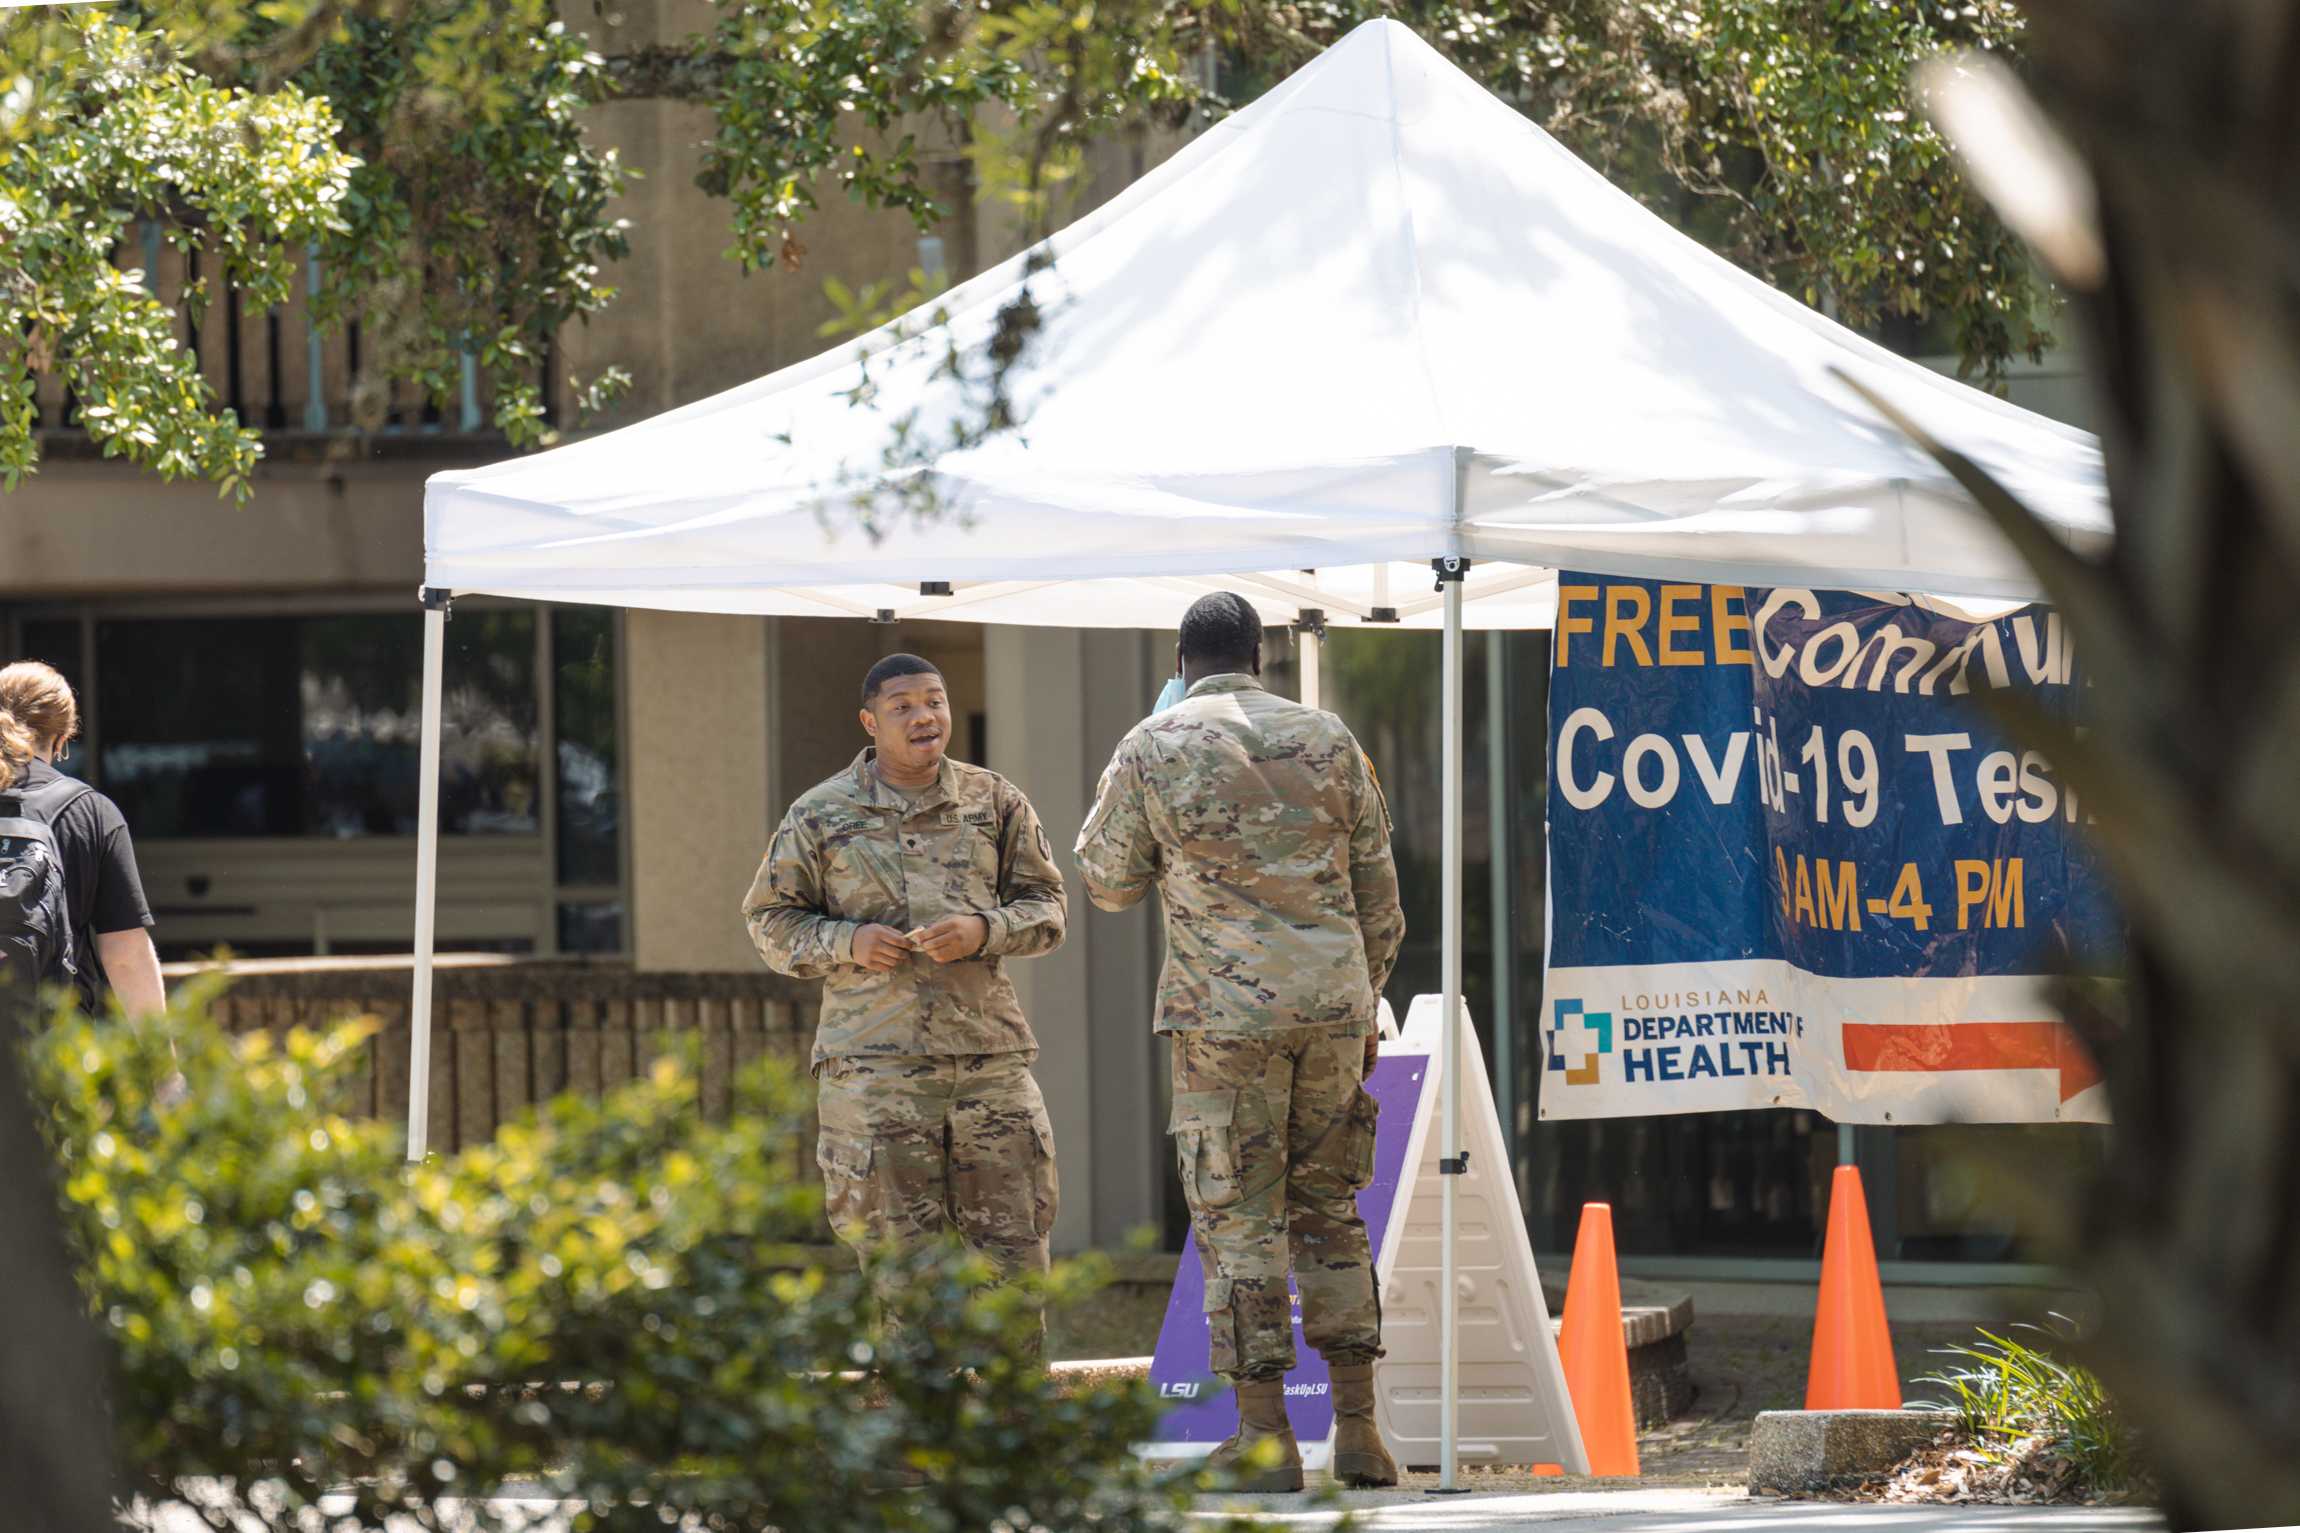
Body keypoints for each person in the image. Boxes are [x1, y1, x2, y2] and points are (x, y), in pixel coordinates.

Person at [1076, 592, 1406, 1492]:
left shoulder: (1156, 744)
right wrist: (1362, 999)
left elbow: (1105, 880)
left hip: (1225, 1018)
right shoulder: (1331, 739)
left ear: (1183, 658)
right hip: (1335, 1010)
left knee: (1239, 1219)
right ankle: (1363, 1430)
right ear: (1260, 655)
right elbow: (1381, 896)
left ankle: (1265, 1435)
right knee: (1331, 1211)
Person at [743, 653, 1066, 1355]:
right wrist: (847, 940)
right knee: (901, 1271)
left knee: (1015, 1258)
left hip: (988, 1065)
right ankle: (913, 1455)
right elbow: (770, 920)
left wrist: (986, 929)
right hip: (874, 1070)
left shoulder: (995, 800)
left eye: (935, 701)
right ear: (870, 721)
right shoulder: (821, 813)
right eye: (904, 707)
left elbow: (1049, 906)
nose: (925, 717)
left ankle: (1016, 1443)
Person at [0, 661, 165, 1018]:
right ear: (61, 740)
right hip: (53, 1053)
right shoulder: (90, 812)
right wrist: (164, 1070)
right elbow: (125, 956)